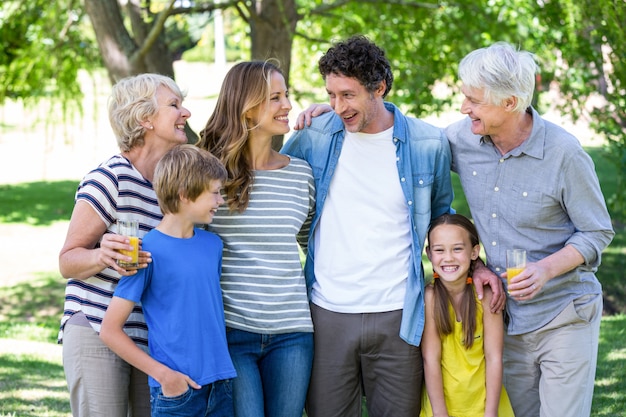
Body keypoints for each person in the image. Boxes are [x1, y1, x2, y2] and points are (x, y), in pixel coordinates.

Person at [280, 35, 459, 417]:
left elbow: (442, 221)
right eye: (330, 95)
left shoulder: (428, 144)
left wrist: (469, 270)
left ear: (379, 88)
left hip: (399, 314)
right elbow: (273, 182)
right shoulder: (313, 136)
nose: (337, 106)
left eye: (348, 95)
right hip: (327, 311)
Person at [446, 42, 615, 417]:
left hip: (564, 313)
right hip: (505, 316)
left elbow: (597, 231)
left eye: (474, 101)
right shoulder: (462, 139)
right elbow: (409, 140)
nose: (463, 109)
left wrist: (545, 269)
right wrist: (339, 112)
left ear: (510, 103)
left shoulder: (564, 153)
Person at [58, 73, 191, 416]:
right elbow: (68, 260)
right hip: (96, 325)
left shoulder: (170, 183)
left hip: (150, 337)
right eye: (174, 105)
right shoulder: (110, 177)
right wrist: (102, 255)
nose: (186, 113)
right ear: (145, 118)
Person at [196, 60, 315, 417]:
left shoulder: (300, 174)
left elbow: (314, 247)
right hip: (232, 331)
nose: (288, 106)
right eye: (275, 98)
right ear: (247, 110)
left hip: (293, 332)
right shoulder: (208, 172)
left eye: (287, 95)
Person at [100, 144, 236, 417]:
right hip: (177, 394)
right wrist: (164, 376)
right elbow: (109, 330)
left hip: (221, 386)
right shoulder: (146, 251)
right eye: (214, 193)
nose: (220, 201)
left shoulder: (213, 245)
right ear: (185, 195)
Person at [420, 213, 514, 417]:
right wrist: (440, 414)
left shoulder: (486, 296)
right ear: (429, 253)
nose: (448, 257)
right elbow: (431, 360)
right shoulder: (430, 298)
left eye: (457, 249)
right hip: (442, 408)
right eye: (439, 250)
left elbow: (494, 357)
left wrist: (491, 414)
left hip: (486, 407)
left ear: (474, 252)